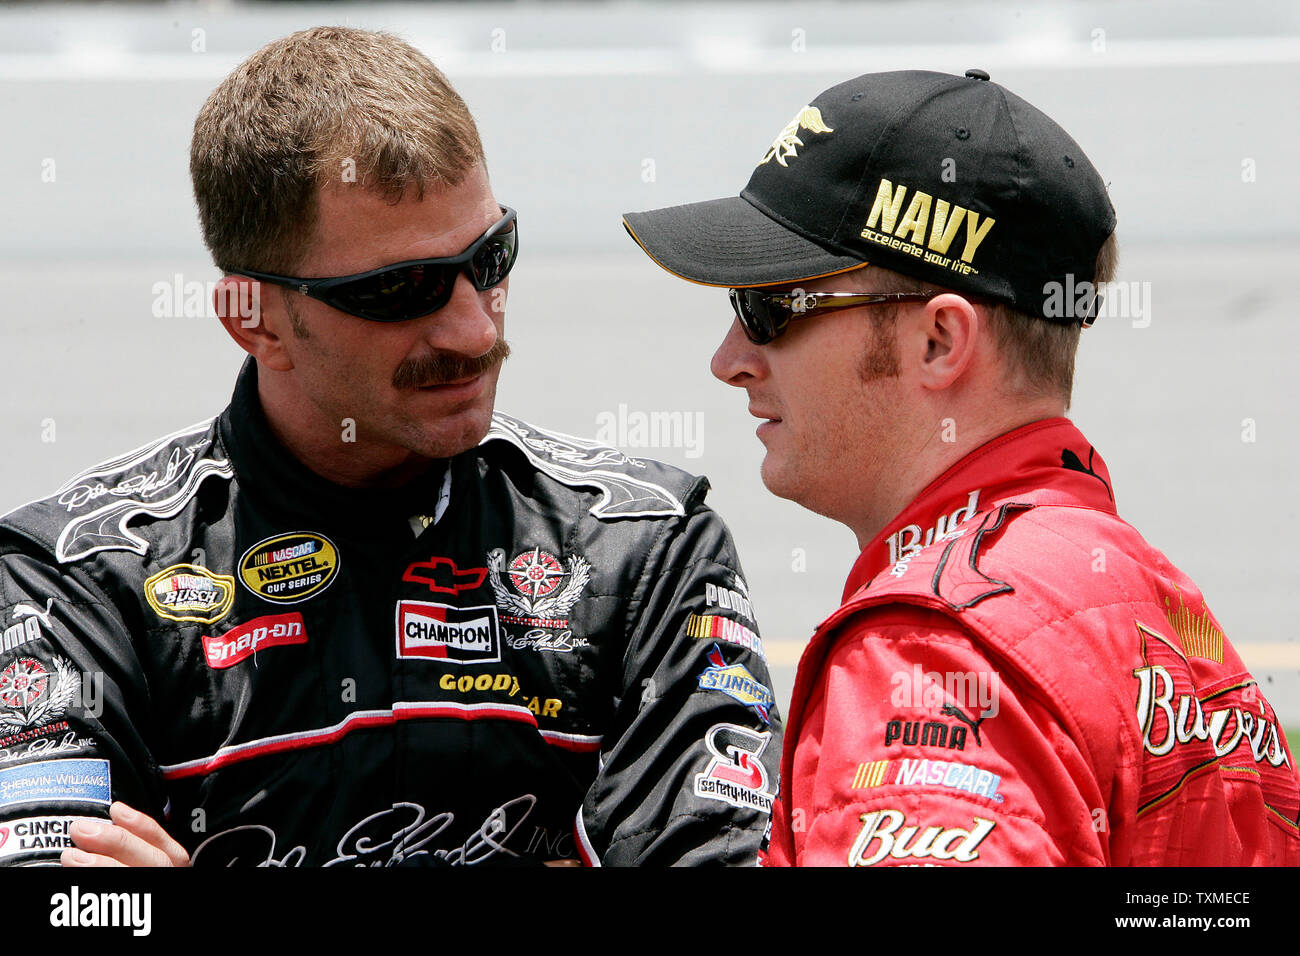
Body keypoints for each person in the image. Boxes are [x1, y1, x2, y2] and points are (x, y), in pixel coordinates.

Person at [0, 26, 778, 867]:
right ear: (252, 319)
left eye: (491, 258)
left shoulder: (646, 545)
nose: (475, 329)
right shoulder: (74, 579)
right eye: (400, 290)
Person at [623, 68, 1299, 865]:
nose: (729, 360)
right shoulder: (1158, 603)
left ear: (939, 342)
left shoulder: (932, 652)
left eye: (770, 307)